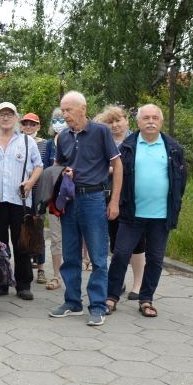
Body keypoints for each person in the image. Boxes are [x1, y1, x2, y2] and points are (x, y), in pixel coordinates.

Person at [48, 91, 122, 327]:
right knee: (70, 253)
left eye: (68, 110)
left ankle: (98, 305)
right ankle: (72, 302)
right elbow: (58, 164)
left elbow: (117, 164)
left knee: (98, 255)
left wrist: (114, 201)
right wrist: (60, 176)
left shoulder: (100, 131)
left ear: (83, 108)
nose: (64, 115)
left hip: (93, 198)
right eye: (62, 110)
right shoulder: (64, 137)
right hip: (69, 200)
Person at [106, 104, 187, 318]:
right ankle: (111, 297)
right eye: (146, 118)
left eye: (155, 118)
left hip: (161, 216)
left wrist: (174, 203)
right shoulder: (127, 147)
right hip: (132, 213)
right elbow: (116, 177)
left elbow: (181, 180)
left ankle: (146, 299)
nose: (150, 121)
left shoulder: (173, 148)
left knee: (155, 259)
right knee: (121, 254)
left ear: (161, 122)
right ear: (138, 122)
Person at [0, 102, 42, 301]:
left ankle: (24, 284)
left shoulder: (26, 141)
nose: (6, 118)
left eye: (10, 114)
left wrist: (31, 181)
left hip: (20, 201)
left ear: (16, 118)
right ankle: (1, 282)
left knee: (22, 243)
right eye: (1, 115)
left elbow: (38, 166)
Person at [96, 105, 145, 300]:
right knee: (115, 242)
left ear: (127, 120)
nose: (115, 125)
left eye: (118, 120)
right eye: (110, 122)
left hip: (134, 198)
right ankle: (118, 281)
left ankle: (139, 285)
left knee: (138, 244)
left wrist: (114, 169)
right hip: (108, 197)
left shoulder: (138, 140)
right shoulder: (103, 141)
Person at [41, 108, 68, 291]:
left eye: (62, 118)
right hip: (55, 198)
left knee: (73, 238)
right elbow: (44, 169)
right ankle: (57, 276)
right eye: (56, 119)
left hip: (74, 196)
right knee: (56, 237)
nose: (59, 122)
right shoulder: (50, 144)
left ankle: (72, 275)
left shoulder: (78, 140)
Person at [21, 112, 49, 284]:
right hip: (22, 193)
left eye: (33, 124)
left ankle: (41, 268)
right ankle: (22, 266)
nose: (29, 127)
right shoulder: (18, 142)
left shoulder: (45, 144)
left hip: (39, 192)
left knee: (37, 230)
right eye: (26, 124)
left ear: (38, 126)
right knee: (23, 230)